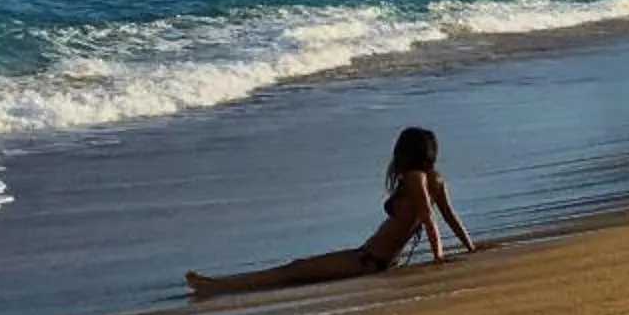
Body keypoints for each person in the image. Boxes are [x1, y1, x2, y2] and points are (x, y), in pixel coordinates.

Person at [185, 126, 476, 297]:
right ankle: (220, 285)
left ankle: (219, 287)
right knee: (295, 271)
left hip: (367, 260)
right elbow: (447, 216)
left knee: (294, 269)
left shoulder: (414, 178)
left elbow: (428, 216)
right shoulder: (435, 178)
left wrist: (438, 255)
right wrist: (469, 247)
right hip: (373, 258)